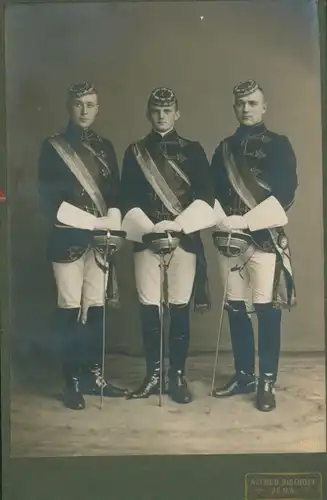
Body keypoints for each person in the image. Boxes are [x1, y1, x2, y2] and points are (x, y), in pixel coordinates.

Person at [120, 87, 216, 404]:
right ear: (149, 114)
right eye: (156, 111)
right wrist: (151, 229)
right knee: (149, 307)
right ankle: (153, 374)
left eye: (167, 111)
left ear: (177, 114)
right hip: (147, 237)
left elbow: (205, 195)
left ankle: (177, 376)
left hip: (183, 238)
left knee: (178, 307)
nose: (161, 116)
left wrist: (176, 226)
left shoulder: (194, 151)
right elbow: (127, 198)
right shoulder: (135, 152)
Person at [38, 81, 127, 410]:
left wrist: (112, 223)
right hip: (67, 241)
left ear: (98, 107)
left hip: (101, 243)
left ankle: (94, 374)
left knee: (97, 308)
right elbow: (49, 200)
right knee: (70, 309)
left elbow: (114, 193)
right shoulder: (53, 147)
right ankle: (71, 381)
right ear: (69, 107)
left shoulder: (105, 147)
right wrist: (94, 223)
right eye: (79, 104)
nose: (85, 111)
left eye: (91, 104)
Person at [211, 79, 298, 412]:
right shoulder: (223, 149)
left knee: (266, 310)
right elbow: (212, 193)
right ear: (235, 108)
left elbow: (285, 192)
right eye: (240, 104)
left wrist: (245, 221)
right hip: (229, 241)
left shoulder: (279, 145)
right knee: (236, 307)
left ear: (264, 107)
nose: (246, 109)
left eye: (252, 103)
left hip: (262, 239)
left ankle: (267, 381)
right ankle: (244, 374)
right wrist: (225, 222)